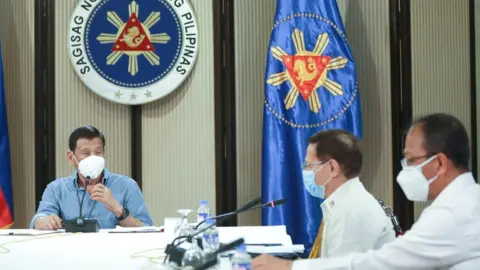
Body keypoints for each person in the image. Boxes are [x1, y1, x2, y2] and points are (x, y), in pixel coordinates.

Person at [252, 113, 480, 270]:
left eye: (411, 160)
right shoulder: (461, 202)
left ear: (439, 163)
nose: (406, 169)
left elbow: (383, 262)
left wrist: (290, 267)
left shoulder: (456, 211)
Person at [30, 125, 153, 230]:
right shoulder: (56, 189)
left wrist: (118, 209)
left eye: (98, 152)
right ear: (70, 157)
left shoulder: (126, 185)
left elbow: (147, 229)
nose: (93, 158)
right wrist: (45, 221)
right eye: (86, 153)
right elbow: (39, 219)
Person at [302, 130, 394, 258]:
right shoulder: (343, 203)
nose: (305, 172)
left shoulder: (351, 211)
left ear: (332, 168)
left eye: (309, 166)